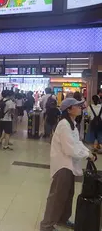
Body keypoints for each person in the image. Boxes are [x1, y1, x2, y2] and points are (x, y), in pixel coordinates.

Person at [40, 98, 95, 231]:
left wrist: (88, 152)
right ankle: (46, 225)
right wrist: (87, 155)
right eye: (77, 106)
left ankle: (62, 219)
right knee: (57, 196)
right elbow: (70, 148)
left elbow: (77, 143)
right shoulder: (64, 125)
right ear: (69, 110)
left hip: (69, 166)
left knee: (67, 194)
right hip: (62, 166)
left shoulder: (72, 124)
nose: (80, 108)